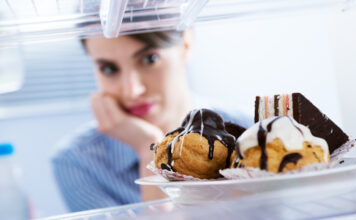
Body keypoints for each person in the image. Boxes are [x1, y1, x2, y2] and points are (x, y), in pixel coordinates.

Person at [52, 30, 250, 212]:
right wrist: (152, 151)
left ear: (186, 44)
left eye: (149, 59)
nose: (133, 90)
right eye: (109, 69)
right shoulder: (78, 162)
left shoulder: (254, 132)